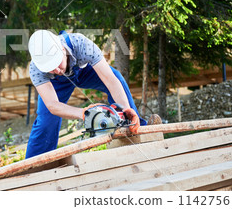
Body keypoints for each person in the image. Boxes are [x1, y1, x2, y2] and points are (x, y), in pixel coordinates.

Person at [26, 29, 147, 158]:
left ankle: (134, 129)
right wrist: (84, 113)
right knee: (46, 120)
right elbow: (52, 105)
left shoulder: (81, 44)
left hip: (84, 71)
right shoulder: (35, 69)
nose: (56, 69)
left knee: (117, 78)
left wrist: (125, 108)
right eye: (50, 67)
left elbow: (110, 80)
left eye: (57, 63)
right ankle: (35, 165)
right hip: (56, 84)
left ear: (62, 49)